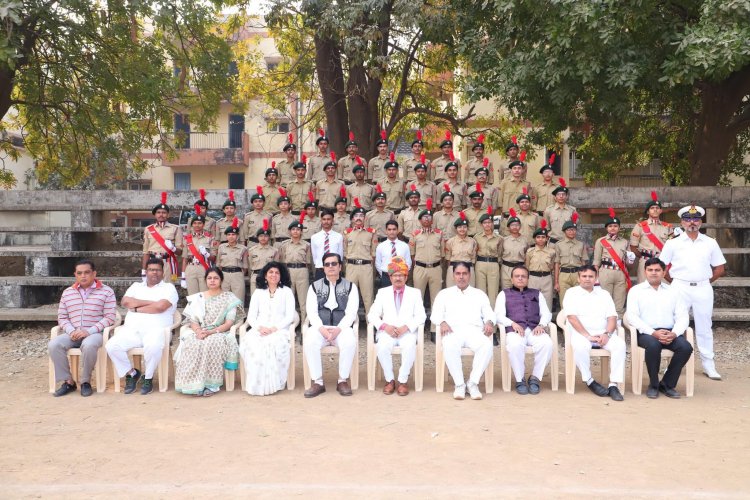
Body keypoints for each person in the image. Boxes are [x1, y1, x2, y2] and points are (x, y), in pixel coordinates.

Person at [659, 205, 726, 380]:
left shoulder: (710, 242)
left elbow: (719, 268)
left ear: (701, 222)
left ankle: (708, 365)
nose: (692, 222)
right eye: (688, 219)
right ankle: (673, 365)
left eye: (696, 219)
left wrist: (704, 281)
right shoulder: (673, 242)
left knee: (704, 327)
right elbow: (661, 267)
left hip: (703, 287)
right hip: (679, 286)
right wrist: (675, 283)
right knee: (676, 326)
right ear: (682, 222)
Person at [106, 257, 179, 395]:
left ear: (163, 272)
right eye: (151, 270)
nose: (154, 273)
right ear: (146, 271)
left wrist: (137, 307)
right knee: (111, 346)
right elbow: (126, 302)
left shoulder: (169, 288)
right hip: (132, 330)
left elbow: (160, 307)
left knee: (153, 346)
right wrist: (152, 303)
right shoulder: (136, 286)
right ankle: (132, 373)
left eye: (157, 270)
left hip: (157, 330)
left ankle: (148, 378)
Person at [626, 258, 693, 398]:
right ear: (645, 272)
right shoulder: (636, 291)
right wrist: (653, 332)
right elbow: (632, 317)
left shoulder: (674, 292)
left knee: (685, 347)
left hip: (670, 332)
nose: (653, 273)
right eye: (650, 270)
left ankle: (667, 384)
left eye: (657, 270)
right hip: (647, 333)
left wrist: (674, 333)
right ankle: (654, 384)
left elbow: (682, 316)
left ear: (664, 272)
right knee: (654, 345)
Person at [49, 259, 117, 397]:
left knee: (89, 345)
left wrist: (88, 331)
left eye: (87, 272)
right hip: (72, 334)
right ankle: (69, 382)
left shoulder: (106, 291)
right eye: (79, 273)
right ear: (75, 275)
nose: (83, 276)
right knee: (54, 344)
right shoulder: (68, 292)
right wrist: (71, 331)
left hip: (95, 333)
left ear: (94, 273)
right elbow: (62, 317)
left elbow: (110, 317)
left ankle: (85, 381)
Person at [431, 262, 496, 400]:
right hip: (453, 331)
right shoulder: (444, 294)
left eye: (464, 273)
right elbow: (435, 314)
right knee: (449, 345)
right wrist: (442, 322)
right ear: (453, 275)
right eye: (458, 274)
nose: (461, 277)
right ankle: (459, 385)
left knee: (486, 345)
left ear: (470, 275)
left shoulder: (479, 294)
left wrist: (489, 322)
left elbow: (489, 313)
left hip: (474, 332)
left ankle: (472, 383)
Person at [173, 268, 242, 396]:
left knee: (212, 343)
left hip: (219, 332)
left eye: (216, 278)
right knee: (193, 343)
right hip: (200, 331)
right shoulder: (198, 298)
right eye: (209, 278)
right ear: (205, 280)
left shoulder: (229, 298)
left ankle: (212, 385)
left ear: (221, 280)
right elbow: (193, 320)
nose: (212, 281)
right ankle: (193, 384)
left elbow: (229, 323)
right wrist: (198, 331)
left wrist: (212, 332)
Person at [562, 265, 625, 401]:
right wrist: (588, 336)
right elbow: (572, 317)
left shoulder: (604, 294)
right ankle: (589, 380)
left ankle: (613, 384)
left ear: (596, 278)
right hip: (581, 334)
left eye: (590, 276)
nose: (587, 279)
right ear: (578, 278)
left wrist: (607, 334)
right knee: (580, 347)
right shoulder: (571, 293)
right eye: (584, 276)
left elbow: (612, 317)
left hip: (603, 334)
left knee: (619, 345)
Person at [367, 257, 426, 395]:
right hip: (387, 332)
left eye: (401, 275)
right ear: (390, 277)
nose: (398, 278)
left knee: (410, 345)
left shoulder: (415, 293)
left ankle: (403, 380)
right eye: (395, 275)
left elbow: (421, 316)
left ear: (406, 277)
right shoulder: (382, 293)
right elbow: (372, 315)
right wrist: (385, 327)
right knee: (382, 346)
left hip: (407, 332)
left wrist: (406, 327)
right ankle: (390, 380)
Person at [303, 252, 360, 398]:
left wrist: (337, 330)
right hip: (320, 327)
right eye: (327, 264)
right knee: (309, 341)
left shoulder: (350, 287)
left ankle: (342, 380)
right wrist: (322, 330)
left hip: (342, 328)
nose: (331, 267)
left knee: (349, 342)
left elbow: (351, 313)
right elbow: (312, 312)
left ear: (340, 266)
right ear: (323, 267)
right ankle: (318, 382)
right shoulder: (314, 287)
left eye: (334, 263)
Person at [495, 265, 554, 395]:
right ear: (511, 279)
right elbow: (498, 315)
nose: (520, 278)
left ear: (528, 279)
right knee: (515, 345)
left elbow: (547, 313)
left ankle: (535, 378)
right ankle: (520, 379)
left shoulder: (536, 293)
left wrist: (542, 324)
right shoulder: (504, 294)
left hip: (534, 329)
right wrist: (512, 323)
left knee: (547, 344)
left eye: (523, 276)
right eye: (517, 276)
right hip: (515, 330)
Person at [240, 262, 296, 395]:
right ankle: (257, 385)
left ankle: (274, 384)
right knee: (254, 345)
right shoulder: (258, 293)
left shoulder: (287, 292)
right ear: (265, 275)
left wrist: (274, 328)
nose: (274, 275)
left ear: (281, 276)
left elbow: (289, 316)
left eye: (277, 273)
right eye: (270, 272)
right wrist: (259, 328)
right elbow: (251, 316)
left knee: (272, 344)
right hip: (259, 329)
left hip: (280, 330)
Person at [410, 204, 444, 341]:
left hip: (435, 268)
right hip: (420, 268)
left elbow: (442, 254)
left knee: (436, 300)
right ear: (420, 220)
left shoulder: (439, 234)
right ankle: (418, 328)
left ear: (432, 220)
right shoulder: (415, 235)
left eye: (429, 217)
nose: (427, 219)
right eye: (424, 217)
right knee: (418, 299)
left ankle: (434, 330)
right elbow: (412, 254)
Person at [593, 208, 636, 318]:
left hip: (620, 272)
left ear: (619, 228)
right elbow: (596, 261)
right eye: (610, 226)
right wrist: (596, 277)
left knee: (620, 299)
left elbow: (628, 261)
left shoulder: (625, 241)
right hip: (605, 272)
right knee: (604, 299)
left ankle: (619, 323)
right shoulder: (601, 241)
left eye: (615, 226)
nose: (613, 228)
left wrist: (630, 259)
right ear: (606, 228)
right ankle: (604, 322)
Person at [274, 215, 312, 328]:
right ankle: (288, 326)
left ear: (301, 232)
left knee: (303, 301)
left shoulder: (306, 245)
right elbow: (281, 261)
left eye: (298, 229)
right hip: (288, 271)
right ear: (290, 231)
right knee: (288, 300)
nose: (296, 231)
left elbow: (309, 262)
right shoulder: (284, 245)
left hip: (302, 271)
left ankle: (304, 326)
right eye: (293, 229)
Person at [629, 191, 673, 283]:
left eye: (657, 208)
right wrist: (645, 256)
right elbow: (633, 247)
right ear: (648, 211)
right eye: (652, 208)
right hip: (646, 262)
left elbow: (673, 246)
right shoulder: (640, 226)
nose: (655, 210)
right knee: (644, 288)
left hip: (662, 262)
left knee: (664, 289)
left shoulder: (668, 227)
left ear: (661, 211)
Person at [343, 203, 377, 315]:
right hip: (351, 267)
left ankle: (370, 326)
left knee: (368, 297)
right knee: (350, 297)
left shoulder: (371, 233)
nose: (358, 218)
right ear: (352, 219)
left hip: (366, 267)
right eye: (356, 216)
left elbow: (374, 253)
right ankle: (350, 326)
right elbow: (344, 252)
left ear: (364, 218)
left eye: (361, 215)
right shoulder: (347, 233)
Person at [142, 192, 183, 283]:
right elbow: (146, 251)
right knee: (153, 289)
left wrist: (173, 248)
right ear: (155, 215)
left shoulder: (176, 229)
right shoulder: (148, 229)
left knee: (168, 288)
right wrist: (144, 270)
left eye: (164, 213)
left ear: (168, 215)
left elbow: (180, 251)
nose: (161, 215)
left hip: (168, 263)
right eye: (159, 212)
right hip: (152, 262)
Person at [554, 213, 587, 307]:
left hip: (577, 274)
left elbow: (583, 262)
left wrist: (584, 277)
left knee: (579, 300)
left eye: (573, 230)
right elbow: (557, 263)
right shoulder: (559, 245)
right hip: (563, 275)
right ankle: (564, 321)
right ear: (564, 232)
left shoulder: (581, 244)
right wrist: (556, 282)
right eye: (569, 230)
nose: (571, 232)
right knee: (564, 301)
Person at [215, 218, 248, 304]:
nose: (231, 236)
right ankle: (224, 318)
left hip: (237, 275)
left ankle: (239, 318)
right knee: (223, 300)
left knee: (238, 300)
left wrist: (239, 274)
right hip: (224, 274)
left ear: (237, 236)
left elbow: (245, 266)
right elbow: (218, 264)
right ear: (226, 236)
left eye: (233, 234)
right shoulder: (221, 247)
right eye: (229, 234)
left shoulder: (243, 249)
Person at [525, 221, 556, 309]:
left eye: (543, 237)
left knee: (547, 303)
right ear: (535, 239)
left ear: (547, 238)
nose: (541, 239)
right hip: (533, 278)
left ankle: (546, 322)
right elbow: (527, 267)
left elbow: (552, 267)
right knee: (532, 302)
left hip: (547, 278)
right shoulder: (530, 251)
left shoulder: (552, 252)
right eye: (538, 237)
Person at [180, 215, 214, 296]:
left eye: (199, 223)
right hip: (190, 268)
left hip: (204, 267)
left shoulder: (209, 238)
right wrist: (183, 276)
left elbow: (213, 258)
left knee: (205, 295)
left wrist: (206, 254)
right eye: (194, 223)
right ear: (192, 225)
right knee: (193, 296)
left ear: (203, 224)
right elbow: (184, 258)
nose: (197, 225)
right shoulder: (187, 239)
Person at [376, 220, 412, 288]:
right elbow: (378, 263)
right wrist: (386, 274)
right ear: (386, 231)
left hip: (401, 276)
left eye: (394, 229)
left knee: (400, 297)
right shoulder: (380, 246)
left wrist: (403, 274)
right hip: (386, 277)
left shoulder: (404, 245)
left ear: (397, 230)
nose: (392, 232)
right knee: (387, 298)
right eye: (389, 229)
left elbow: (408, 262)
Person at [444, 212, 477, 287]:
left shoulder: (473, 241)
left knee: (469, 293)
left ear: (467, 228)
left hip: (468, 269)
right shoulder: (450, 242)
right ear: (456, 229)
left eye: (464, 227)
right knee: (452, 292)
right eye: (459, 227)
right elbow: (448, 259)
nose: (462, 229)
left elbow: (473, 259)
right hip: (453, 269)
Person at [311, 209, 344, 280]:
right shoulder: (314, 237)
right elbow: (314, 256)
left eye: (329, 219)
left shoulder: (339, 236)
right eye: (324, 219)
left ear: (333, 221)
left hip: (334, 269)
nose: (326, 221)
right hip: (320, 269)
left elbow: (340, 255)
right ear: (321, 221)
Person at [500, 210, 528, 290]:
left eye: (517, 225)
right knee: (506, 291)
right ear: (508, 227)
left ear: (520, 226)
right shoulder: (503, 240)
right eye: (512, 225)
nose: (515, 227)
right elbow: (500, 253)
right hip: (506, 269)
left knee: (520, 291)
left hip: (520, 268)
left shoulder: (525, 240)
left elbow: (527, 255)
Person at [247, 222, 277, 296]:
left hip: (270, 277)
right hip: (256, 276)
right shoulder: (252, 250)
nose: (263, 238)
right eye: (261, 236)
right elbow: (250, 265)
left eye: (266, 236)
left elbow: (276, 267)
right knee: (255, 299)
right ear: (257, 237)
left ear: (269, 237)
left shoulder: (274, 251)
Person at [543, 178, 576, 244]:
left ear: (567, 197)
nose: (561, 196)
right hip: (553, 242)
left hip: (568, 242)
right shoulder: (549, 210)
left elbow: (574, 227)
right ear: (555, 197)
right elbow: (546, 228)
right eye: (558, 194)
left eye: (563, 194)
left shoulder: (572, 210)